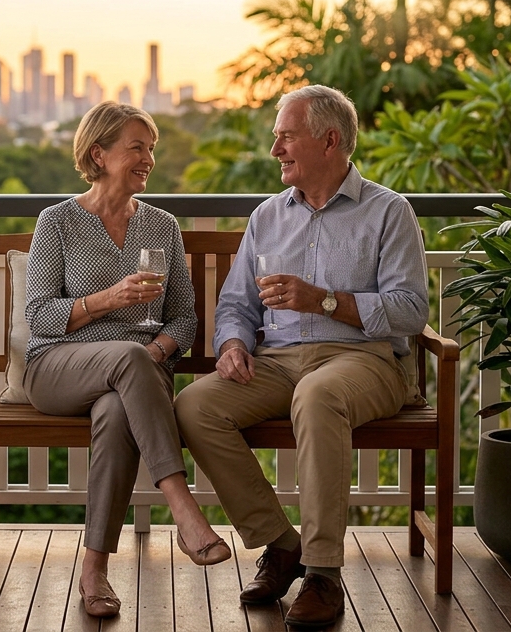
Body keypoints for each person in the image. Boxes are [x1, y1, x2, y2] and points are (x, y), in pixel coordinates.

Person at [174, 85, 428, 629]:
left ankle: (322, 573)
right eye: (276, 139)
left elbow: (409, 310)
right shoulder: (267, 217)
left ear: (329, 140)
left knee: (318, 395)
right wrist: (234, 343)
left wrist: (324, 300)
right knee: (195, 406)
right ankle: (280, 543)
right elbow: (237, 303)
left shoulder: (389, 212)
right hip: (278, 358)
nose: (276, 150)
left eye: (286, 137)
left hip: (365, 360)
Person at [24, 101, 231, 618]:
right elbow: (39, 317)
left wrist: (159, 350)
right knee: (130, 358)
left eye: (152, 149)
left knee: (119, 407)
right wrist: (106, 300)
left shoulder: (162, 226)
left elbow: (184, 318)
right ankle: (183, 508)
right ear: (100, 153)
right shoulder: (58, 222)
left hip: (133, 378)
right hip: (58, 367)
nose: (149, 159)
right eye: (137, 147)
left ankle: (93, 574)